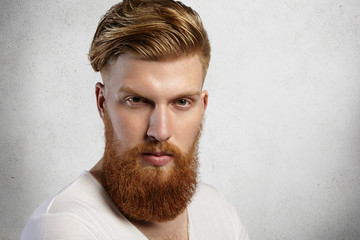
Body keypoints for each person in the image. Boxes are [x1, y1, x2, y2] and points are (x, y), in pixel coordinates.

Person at [21, 0, 249, 239]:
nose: (160, 131)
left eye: (181, 102)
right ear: (102, 103)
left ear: (202, 107)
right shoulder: (62, 227)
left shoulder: (219, 210)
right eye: (137, 100)